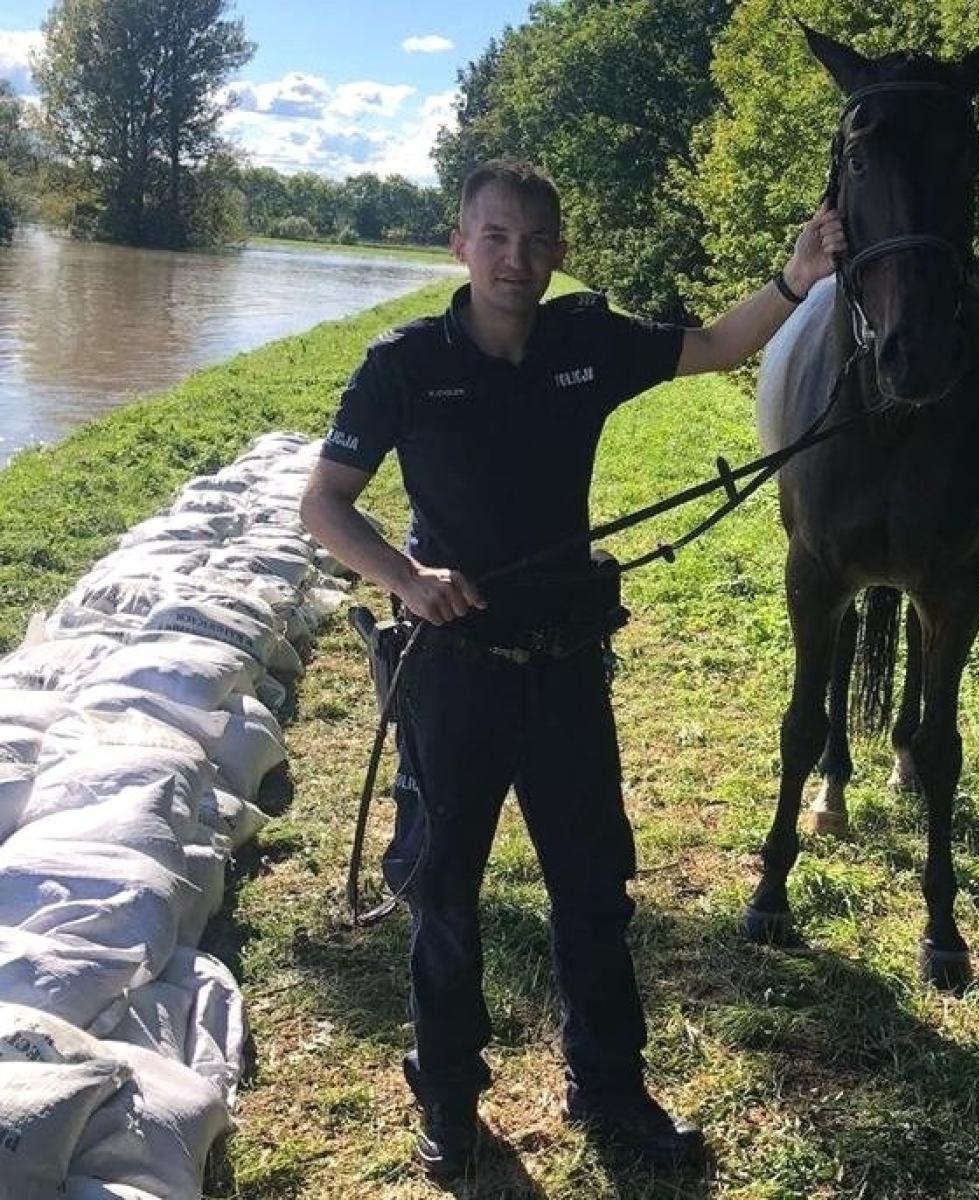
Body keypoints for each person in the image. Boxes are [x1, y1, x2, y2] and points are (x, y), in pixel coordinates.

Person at [299, 159, 843, 1179]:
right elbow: (323, 502)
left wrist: (796, 276)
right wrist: (405, 577)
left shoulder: (587, 343)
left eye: (535, 240)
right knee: (443, 896)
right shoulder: (402, 365)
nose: (515, 258)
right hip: (452, 674)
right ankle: (448, 1094)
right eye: (495, 237)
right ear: (460, 244)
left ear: (558, 252)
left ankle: (609, 1086)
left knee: (593, 890)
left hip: (565, 674)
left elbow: (715, 346)